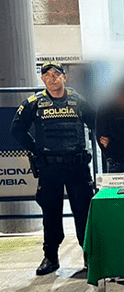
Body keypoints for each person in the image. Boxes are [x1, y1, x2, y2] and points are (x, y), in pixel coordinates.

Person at [10, 61, 96, 275]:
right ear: (42, 79)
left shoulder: (78, 100)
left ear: (64, 77)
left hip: (77, 167)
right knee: (50, 213)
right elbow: (16, 129)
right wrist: (35, 149)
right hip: (50, 168)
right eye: (47, 74)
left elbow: (96, 122)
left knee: (84, 213)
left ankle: (89, 257)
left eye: (56, 74)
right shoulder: (34, 103)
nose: (52, 78)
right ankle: (50, 257)